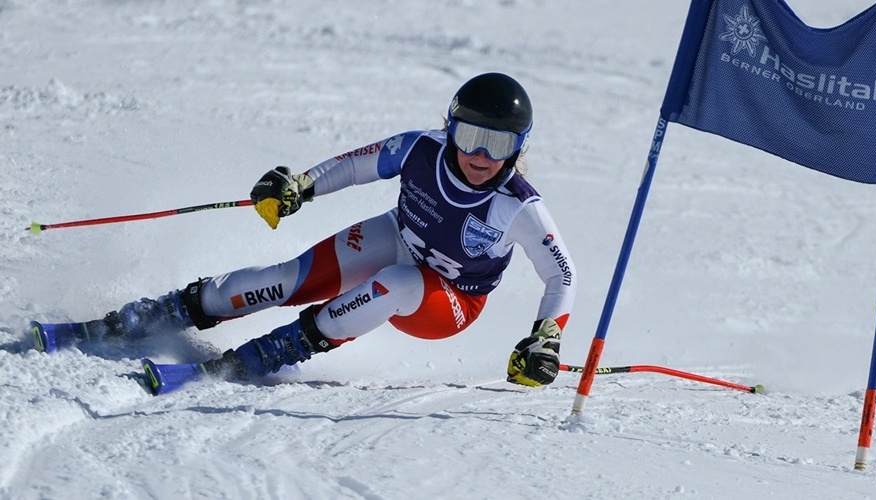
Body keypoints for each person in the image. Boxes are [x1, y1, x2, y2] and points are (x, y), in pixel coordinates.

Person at [72, 72, 576, 387]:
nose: (480, 156)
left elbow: (562, 276)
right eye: (469, 137)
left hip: (448, 302)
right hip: (398, 240)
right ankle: (165, 311)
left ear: (519, 146)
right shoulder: (421, 148)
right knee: (286, 277)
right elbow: (358, 166)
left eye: (499, 143)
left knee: (397, 285)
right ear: (450, 128)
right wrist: (301, 186)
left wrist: (546, 340)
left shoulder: (519, 207)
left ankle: (272, 351)